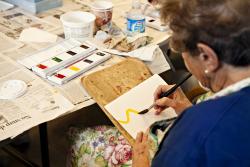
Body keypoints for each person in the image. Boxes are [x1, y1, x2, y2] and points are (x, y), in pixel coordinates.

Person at [132, 0, 250, 166]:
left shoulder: (197, 132)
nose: (184, 60)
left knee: (82, 137)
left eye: (182, 53)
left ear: (207, 57)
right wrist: (189, 110)